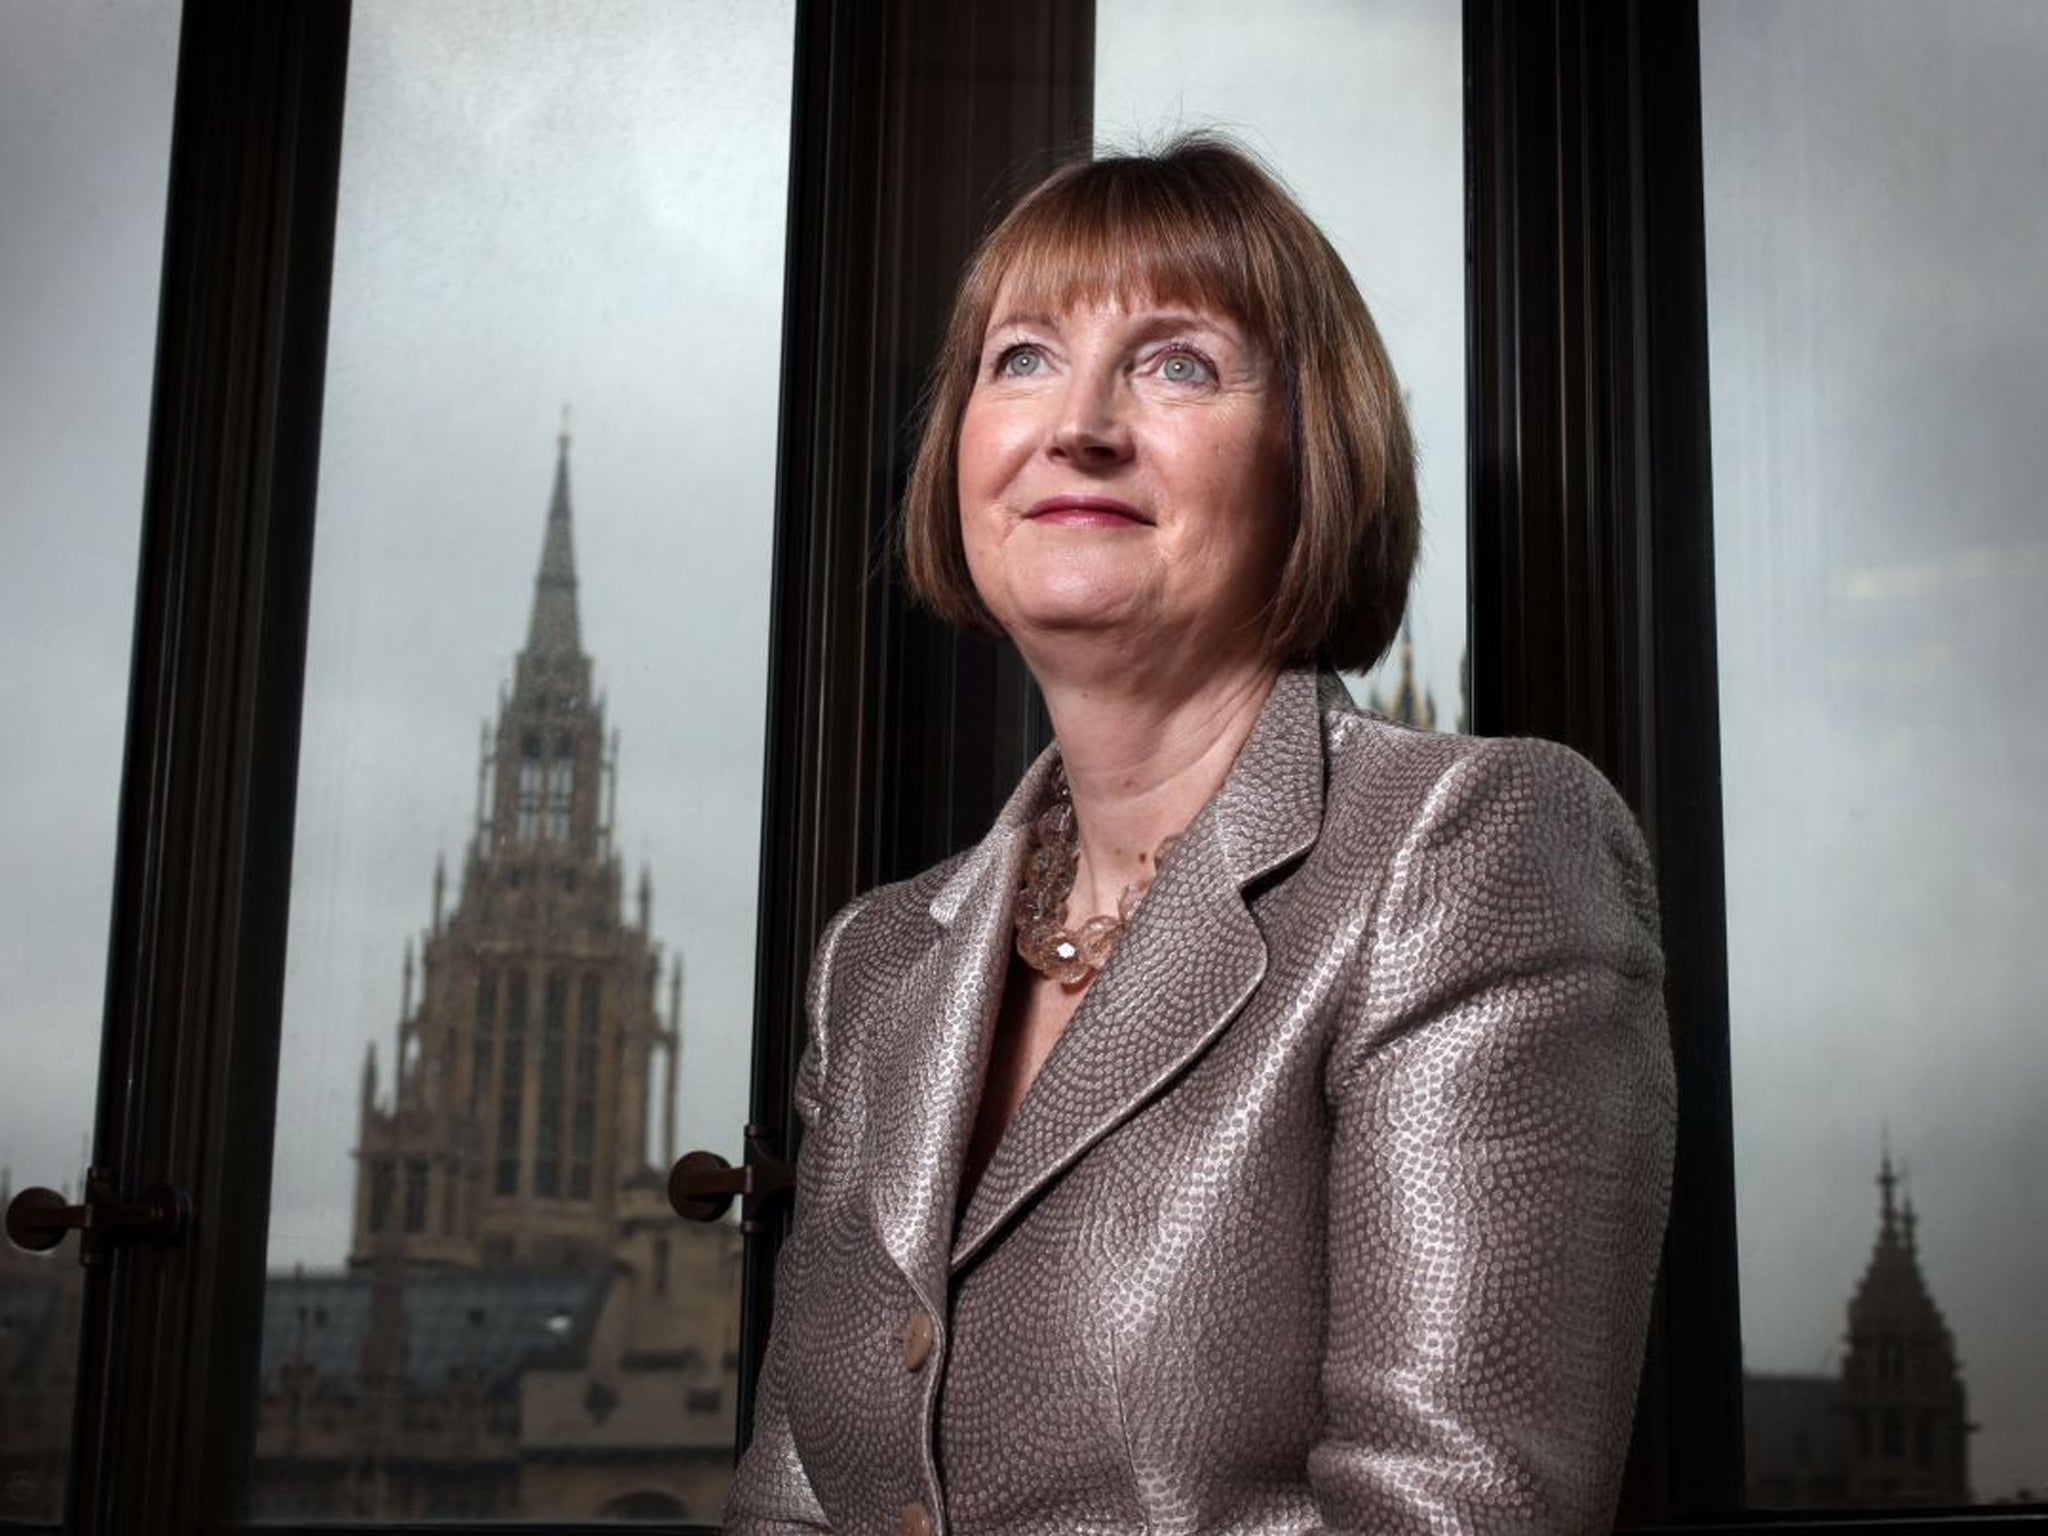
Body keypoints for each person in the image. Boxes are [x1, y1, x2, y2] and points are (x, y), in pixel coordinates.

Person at [725, 136, 1674, 1535]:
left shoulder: (1471, 847)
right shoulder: (872, 964)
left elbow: (1453, 1511)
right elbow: (792, 1502)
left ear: (1313, 455)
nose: (1080, 424)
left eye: (1177, 364)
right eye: (1024, 357)